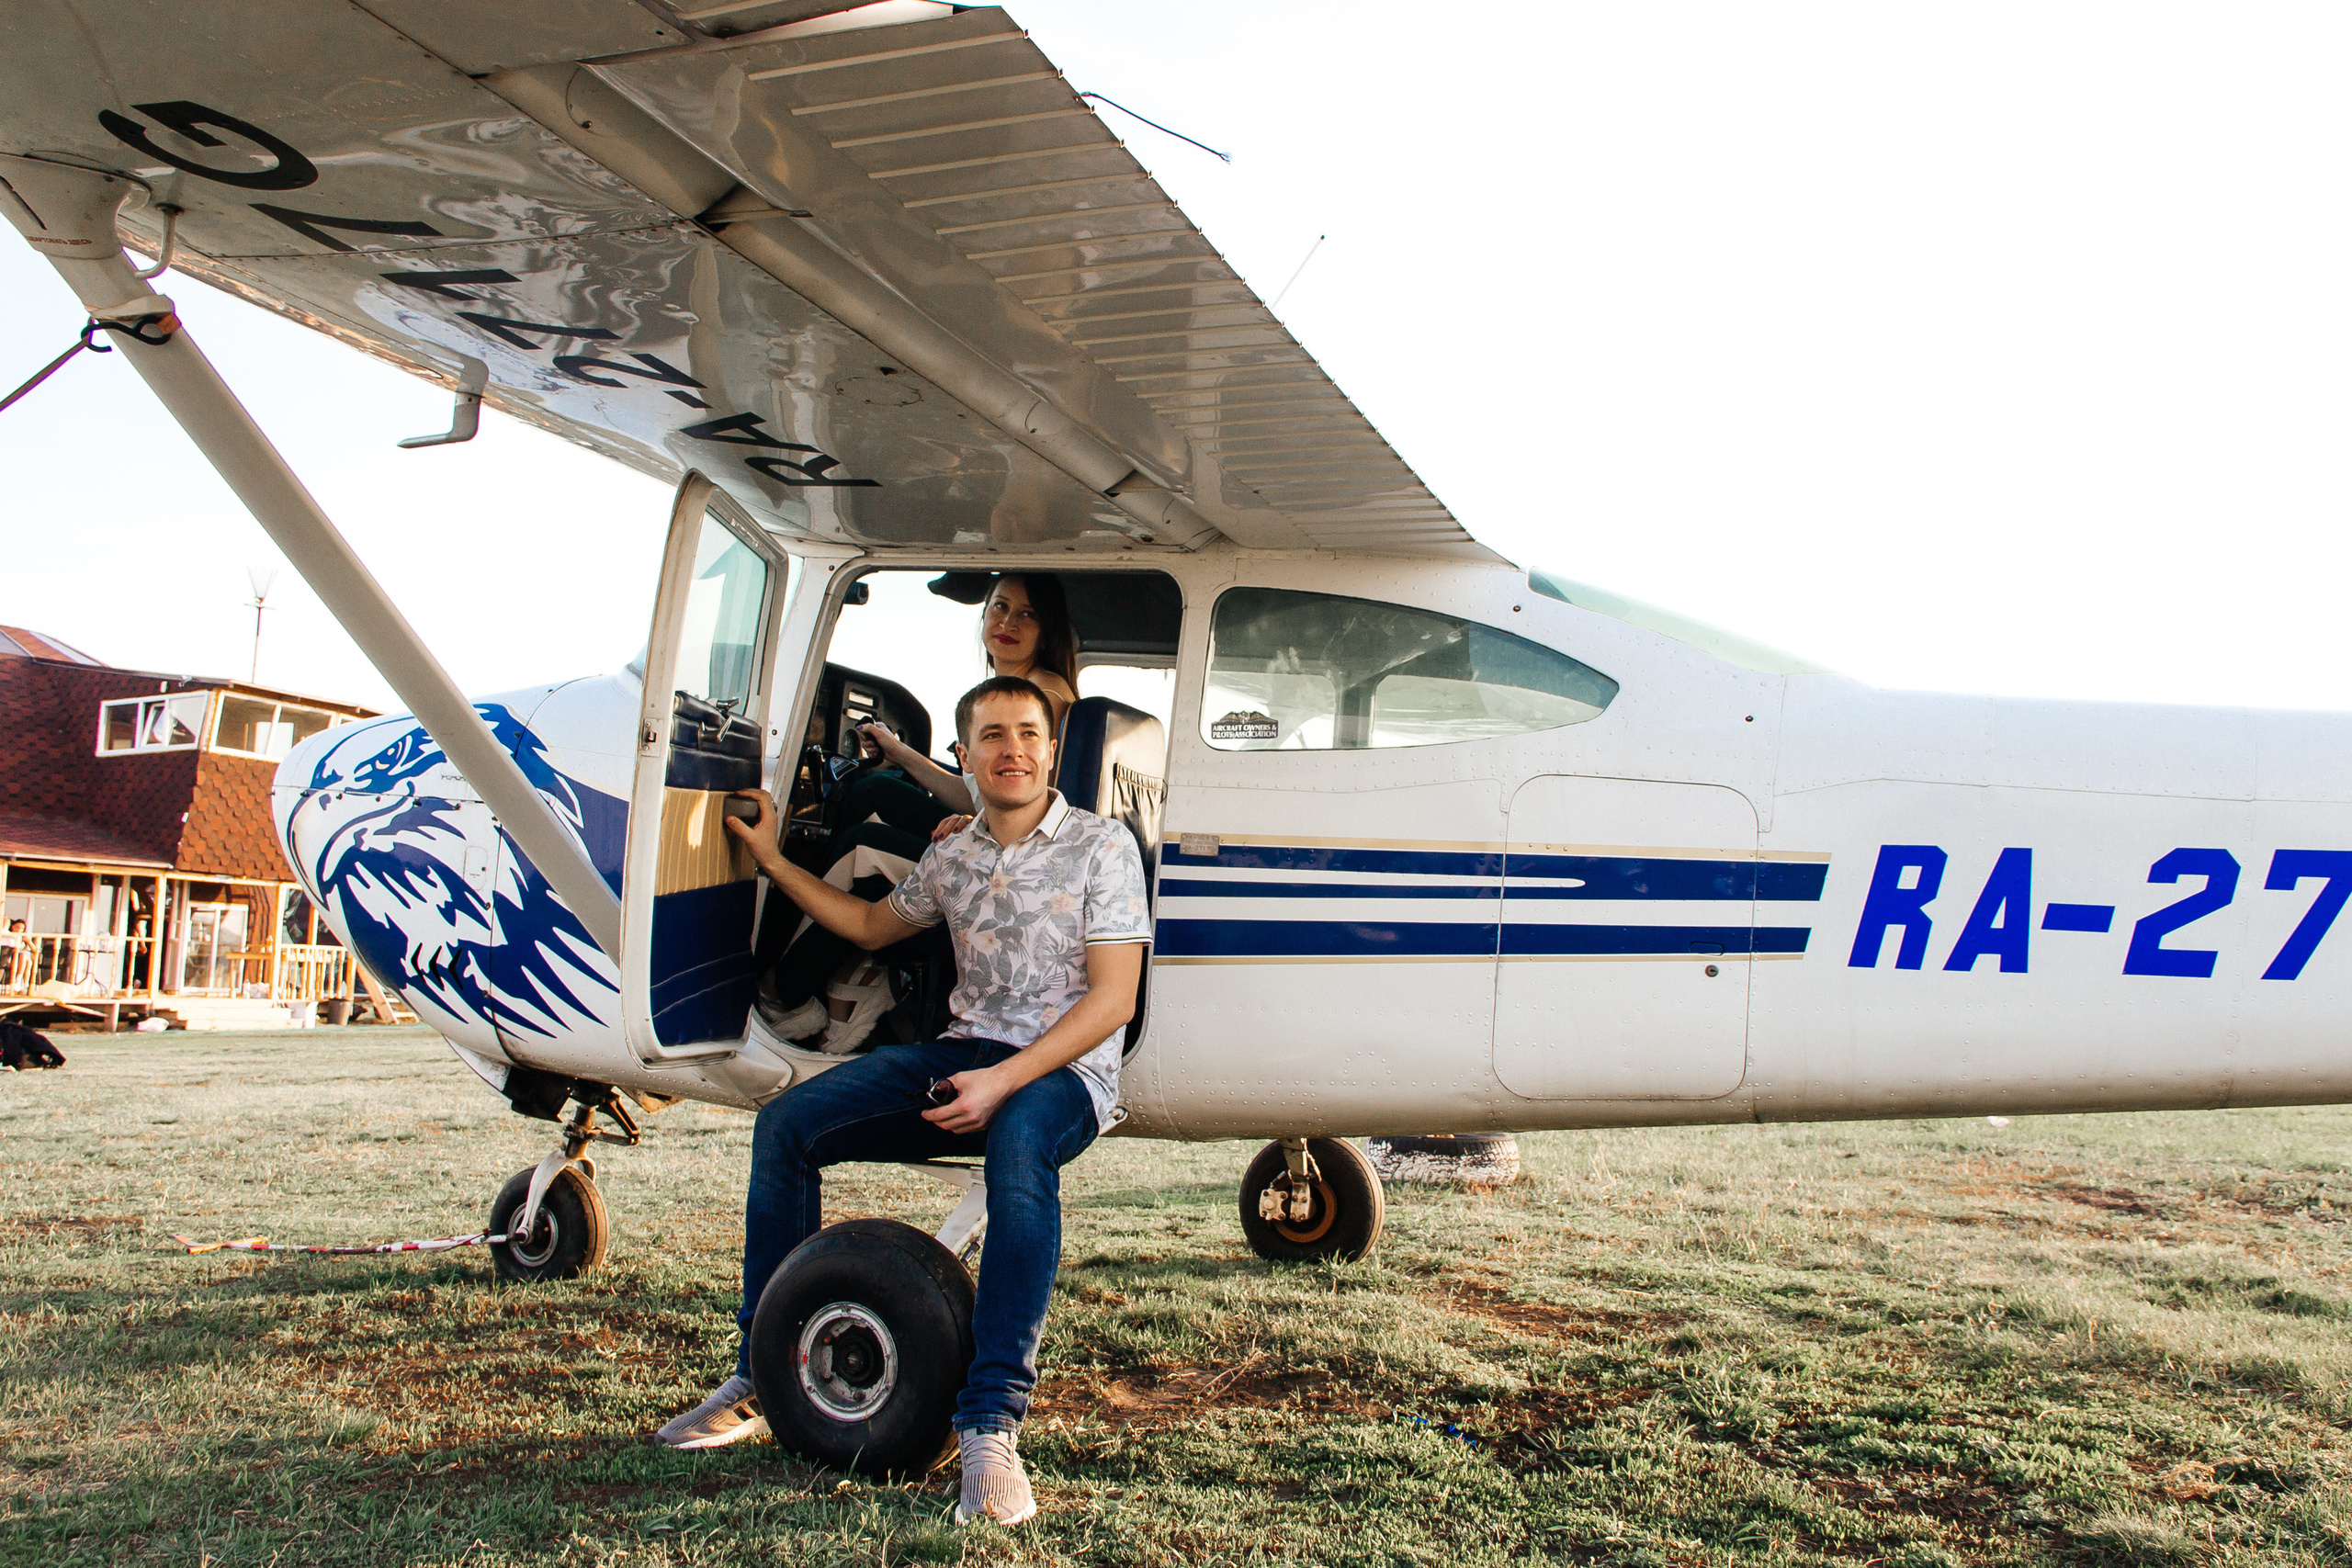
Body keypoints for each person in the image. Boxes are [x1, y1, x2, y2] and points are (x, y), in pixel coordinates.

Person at [655, 675, 1150, 1529]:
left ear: (1052, 746)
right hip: (965, 1055)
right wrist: (773, 861)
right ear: (965, 755)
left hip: (1069, 1072)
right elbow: (872, 927)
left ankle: (991, 1421)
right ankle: (757, 1372)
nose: (1013, 750)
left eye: (1029, 732)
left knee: (1019, 1147)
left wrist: (1005, 1080)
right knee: (787, 1126)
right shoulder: (954, 853)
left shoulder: (1103, 847)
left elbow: (1112, 1001)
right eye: (992, 735)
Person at [762, 574, 1081, 1050]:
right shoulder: (1018, 687)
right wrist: (900, 753)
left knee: (862, 848)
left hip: (1011, 866)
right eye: (999, 608)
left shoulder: (1044, 695)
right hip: (995, 837)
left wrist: (978, 824)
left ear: (1047, 628)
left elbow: (1027, 799)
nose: (1008, 622)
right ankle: (848, 962)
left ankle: (787, 990)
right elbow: (972, 792)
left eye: (1027, 614)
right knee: (873, 790)